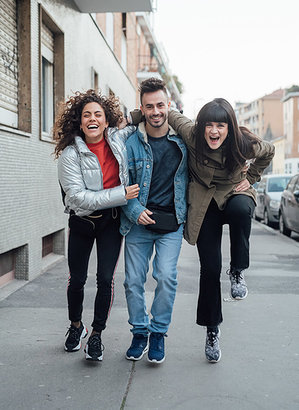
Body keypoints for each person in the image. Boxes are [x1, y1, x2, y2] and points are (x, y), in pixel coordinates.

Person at [166, 98, 275, 363]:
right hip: (205, 202)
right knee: (210, 269)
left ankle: (238, 270)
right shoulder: (192, 134)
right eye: (210, 125)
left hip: (235, 193)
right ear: (202, 126)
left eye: (221, 125)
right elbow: (167, 113)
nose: (214, 131)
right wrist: (134, 116)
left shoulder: (243, 143)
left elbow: (269, 151)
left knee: (240, 210)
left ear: (230, 128)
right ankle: (212, 329)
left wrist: (250, 179)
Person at [53, 89, 139, 362]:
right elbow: (77, 197)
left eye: (98, 115)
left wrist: (143, 112)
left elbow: (140, 120)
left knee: (105, 280)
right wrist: (120, 194)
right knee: (77, 280)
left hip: (110, 223)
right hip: (81, 222)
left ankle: (97, 335)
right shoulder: (70, 155)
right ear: (79, 123)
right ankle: (77, 326)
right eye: (87, 115)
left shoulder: (117, 139)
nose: (92, 119)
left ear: (106, 121)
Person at [120, 78, 188, 363]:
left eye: (160, 105)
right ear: (142, 109)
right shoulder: (129, 142)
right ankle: (139, 332)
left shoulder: (183, 140)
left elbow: (218, 147)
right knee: (133, 280)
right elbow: (119, 182)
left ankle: (158, 332)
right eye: (149, 107)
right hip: (138, 221)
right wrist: (134, 210)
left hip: (171, 223)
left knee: (166, 277)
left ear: (169, 106)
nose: (156, 111)